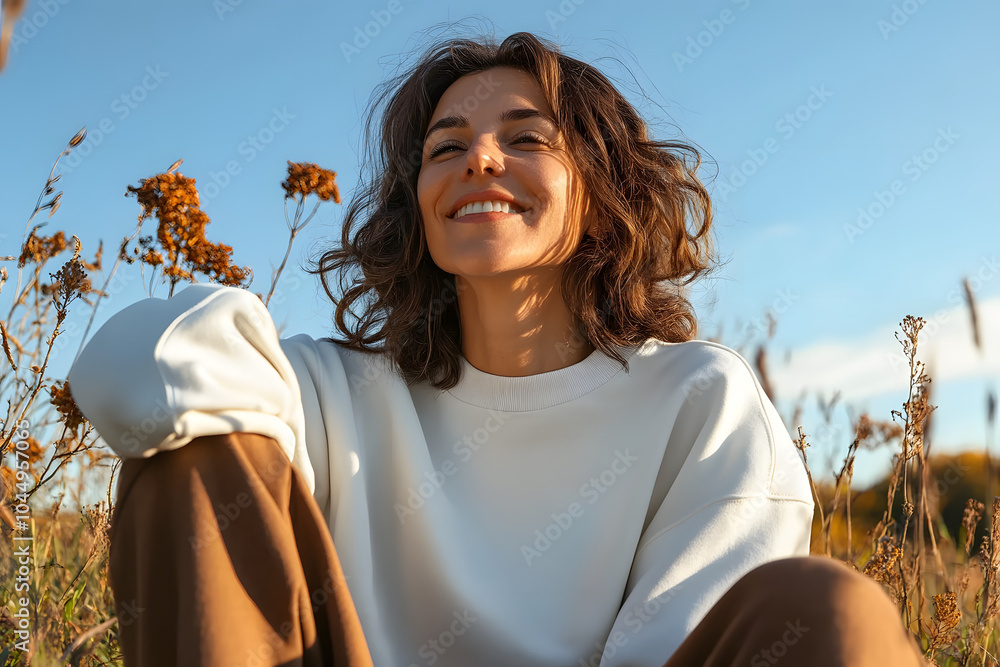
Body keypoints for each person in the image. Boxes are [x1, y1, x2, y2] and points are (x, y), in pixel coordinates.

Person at [69, 30, 926, 667]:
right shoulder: (335, 388)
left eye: (527, 138)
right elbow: (128, 379)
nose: (481, 157)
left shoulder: (699, 398)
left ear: (600, 191)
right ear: (421, 203)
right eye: (446, 148)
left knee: (831, 610)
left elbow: (683, 641)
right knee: (194, 452)